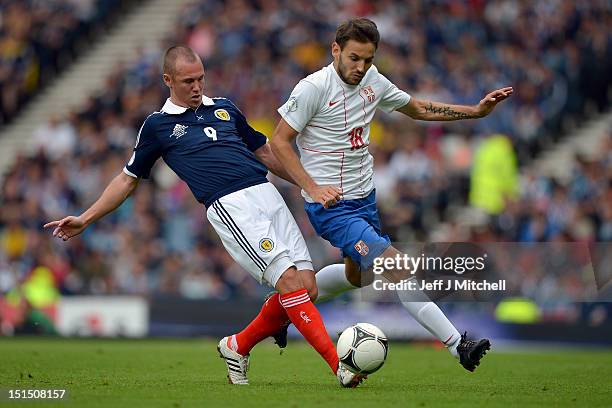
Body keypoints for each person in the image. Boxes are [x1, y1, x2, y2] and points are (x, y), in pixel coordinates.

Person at [43, 46, 363, 387]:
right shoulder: (157, 126)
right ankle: (338, 366)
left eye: (200, 79)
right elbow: (127, 178)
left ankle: (237, 346)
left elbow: (266, 152)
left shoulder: (225, 108)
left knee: (306, 289)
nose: (196, 87)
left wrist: (311, 186)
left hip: (267, 194)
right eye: (187, 81)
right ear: (168, 80)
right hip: (230, 206)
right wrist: (87, 217)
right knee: (288, 282)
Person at [268, 18, 514, 372]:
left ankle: (283, 309)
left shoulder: (372, 81)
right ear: (335, 50)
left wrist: (474, 112)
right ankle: (459, 344)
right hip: (332, 207)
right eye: (354, 58)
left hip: (365, 200)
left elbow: (416, 108)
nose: (360, 67)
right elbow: (279, 141)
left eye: (368, 59)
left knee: (359, 277)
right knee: (398, 268)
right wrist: (312, 186)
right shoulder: (313, 88)